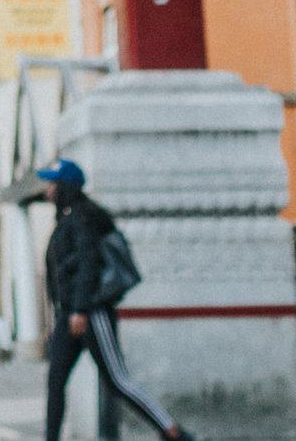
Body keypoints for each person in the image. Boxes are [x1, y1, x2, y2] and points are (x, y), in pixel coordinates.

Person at [38, 160, 193, 441]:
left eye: (51, 183)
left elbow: (88, 264)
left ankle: (172, 430)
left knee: (117, 380)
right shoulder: (66, 218)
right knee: (55, 381)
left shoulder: (83, 217)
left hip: (90, 312)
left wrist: (81, 310)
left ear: (64, 186)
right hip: (69, 313)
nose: (47, 189)